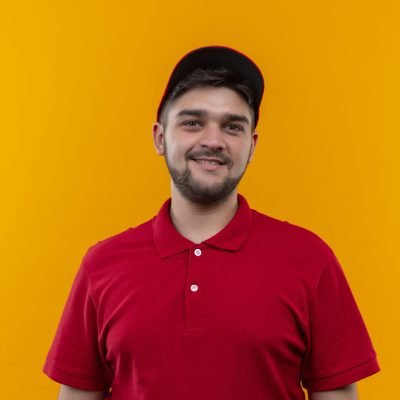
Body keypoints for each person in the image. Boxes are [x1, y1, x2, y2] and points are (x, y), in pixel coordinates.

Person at [43, 46, 380, 400]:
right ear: (160, 137)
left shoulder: (311, 259)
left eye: (232, 127)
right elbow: (79, 393)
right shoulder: (102, 264)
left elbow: (337, 392)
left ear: (251, 146)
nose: (213, 141)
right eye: (192, 123)